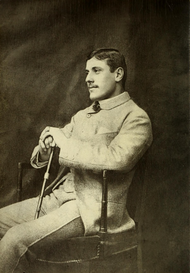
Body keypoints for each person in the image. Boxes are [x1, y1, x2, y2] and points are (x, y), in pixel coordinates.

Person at [0, 48, 153, 272]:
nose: (88, 79)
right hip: (58, 198)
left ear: (118, 74)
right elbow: (55, 148)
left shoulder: (135, 117)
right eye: (86, 72)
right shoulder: (83, 115)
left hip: (91, 208)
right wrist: (45, 149)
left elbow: (118, 159)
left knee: (16, 239)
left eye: (96, 71)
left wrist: (65, 141)